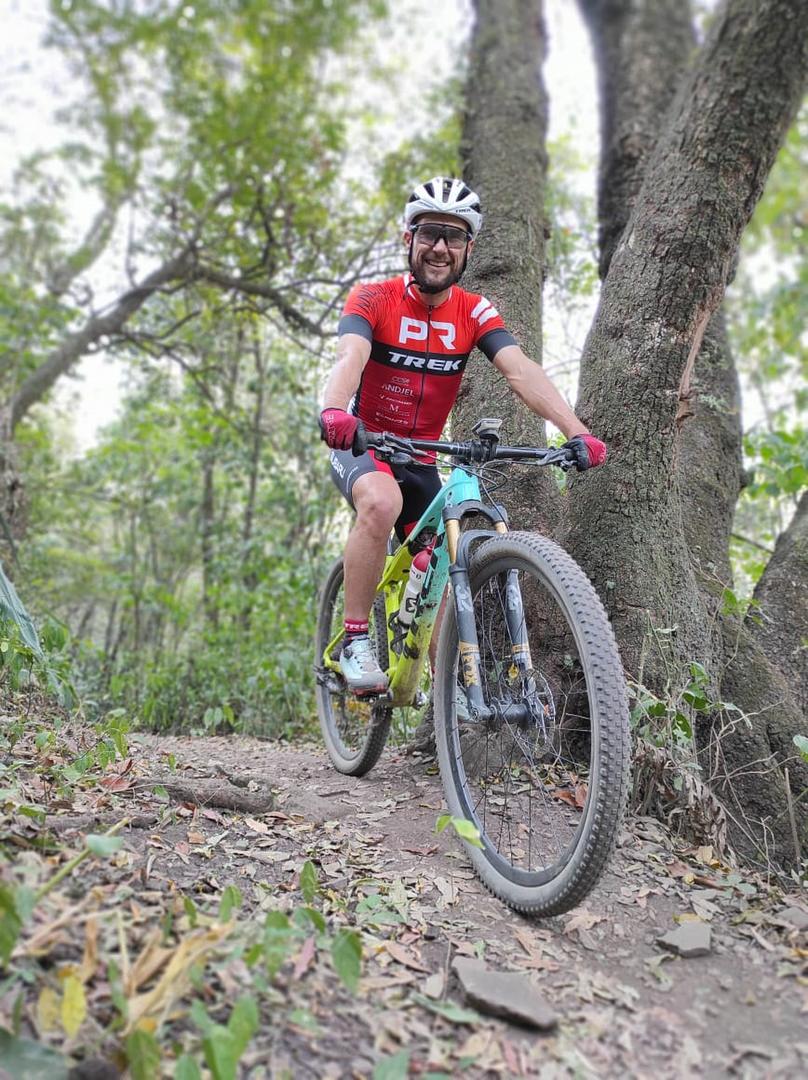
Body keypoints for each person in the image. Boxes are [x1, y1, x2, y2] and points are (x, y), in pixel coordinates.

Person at [320, 176, 607, 694]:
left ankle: (451, 702)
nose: (439, 248)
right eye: (429, 233)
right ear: (408, 238)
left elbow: (520, 371)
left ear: (468, 248)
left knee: (446, 565)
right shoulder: (373, 298)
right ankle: (356, 638)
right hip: (367, 447)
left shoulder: (473, 311)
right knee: (381, 503)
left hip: (424, 457)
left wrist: (576, 432)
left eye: (453, 238)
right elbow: (351, 356)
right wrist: (335, 411)